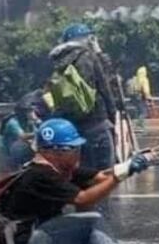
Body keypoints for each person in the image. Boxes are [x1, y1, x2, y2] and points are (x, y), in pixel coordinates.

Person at [0, 118, 159, 244]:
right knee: (93, 223)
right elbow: (83, 199)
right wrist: (120, 175)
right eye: (75, 149)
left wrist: (130, 166)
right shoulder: (40, 175)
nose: (79, 153)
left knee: (100, 241)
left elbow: (101, 177)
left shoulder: (56, 168)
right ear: (58, 151)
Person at [49, 24, 117, 170]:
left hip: (72, 129)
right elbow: (106, 85)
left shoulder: (59, 61)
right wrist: (112, 115)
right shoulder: (89, 56)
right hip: (97, 123)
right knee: (104, 176)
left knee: (82, 174)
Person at [0, 98, 39, 170]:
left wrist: (36, 121)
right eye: (28, 111)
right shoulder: (13, 122)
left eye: (31, 111)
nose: (31, 113)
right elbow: (23, 136)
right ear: (22, 112)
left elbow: (36, 132)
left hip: (19, 151)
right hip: (8, 154)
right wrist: (38, 133)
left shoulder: (29, 122)